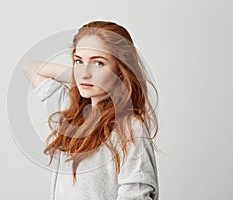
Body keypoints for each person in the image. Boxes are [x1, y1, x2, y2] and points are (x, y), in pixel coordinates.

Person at [22, 20, 160, 200]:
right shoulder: (72, 110)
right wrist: (82, 73)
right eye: (79, 61)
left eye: (99, 63)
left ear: (121, 69)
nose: (85, 73)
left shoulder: (130, 128)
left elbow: (135, 195)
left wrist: (84, 72)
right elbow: (29, 67)